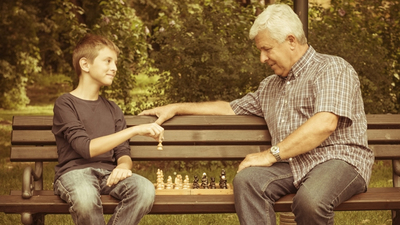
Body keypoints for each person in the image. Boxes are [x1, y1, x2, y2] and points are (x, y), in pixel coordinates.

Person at [139, 4, 374, 225]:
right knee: (248, 181)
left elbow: (325, 123)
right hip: (293, 165)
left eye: (267, 49)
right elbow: (230, 108)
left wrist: (271, 154)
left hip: (339, 161)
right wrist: (178, 107)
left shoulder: (332, 68)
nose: (262, 58)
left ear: (291, 41)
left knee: (310, 201)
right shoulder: (270, 86)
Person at [52, 34, 164, 225]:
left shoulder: (113, 108)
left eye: (115, 62)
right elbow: (86, 148)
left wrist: (123, 166)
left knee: (144, 189)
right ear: (85, 65)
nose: (114, 68)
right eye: (108, 61)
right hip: (74, 174)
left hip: (108, 176)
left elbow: (123, 153)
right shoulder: (65, 103)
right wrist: (134, 130)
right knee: (86, 197)